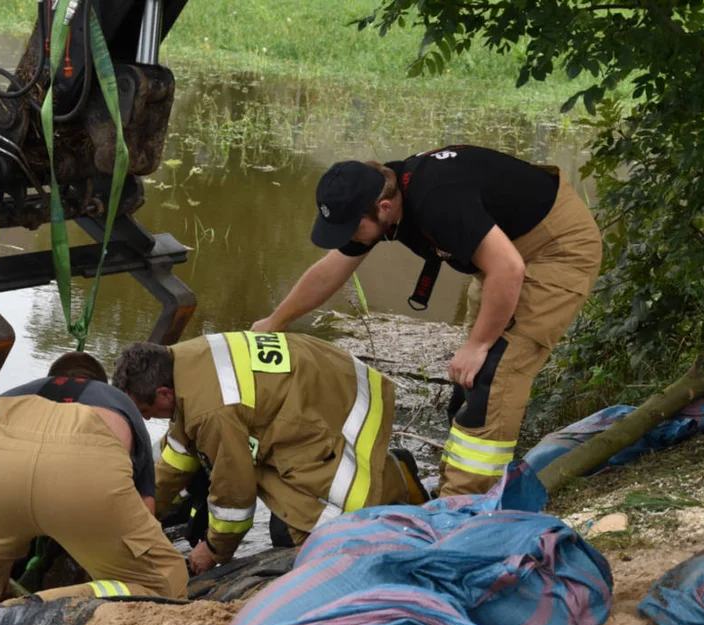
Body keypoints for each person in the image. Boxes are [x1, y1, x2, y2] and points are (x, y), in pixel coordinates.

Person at [251, 145, 602, 497]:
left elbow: (509, 269)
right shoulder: (381, 193)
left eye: (350, 228)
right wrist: (275, 321)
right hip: (501, 254)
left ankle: (462, 506)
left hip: (554, 250)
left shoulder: (437, 200)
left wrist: (478, 345)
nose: (347, 237)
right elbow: (330, 271)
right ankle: (458, 479)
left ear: (384, 208)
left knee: (497, 371)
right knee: (470, 379)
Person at [0, 351, 188, 625]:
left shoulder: (14, 394)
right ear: (96, 382)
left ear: (51, 376)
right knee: (164, 581)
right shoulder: (115, 400)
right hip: (81, 469)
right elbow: (143, 508)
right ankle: (32, 611)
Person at [111, 332, 427, 575]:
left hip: (331, 408)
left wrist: (213, 550)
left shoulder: (210, 412)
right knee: (255, 469)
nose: (148, 419)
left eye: (146, 410)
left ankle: (394, 485)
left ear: (164, 392)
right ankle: (393, 471)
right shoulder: (181, 362)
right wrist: (144, 513)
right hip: (323, 380)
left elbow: (235, 495)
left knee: (303, 531)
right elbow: (176, 458)